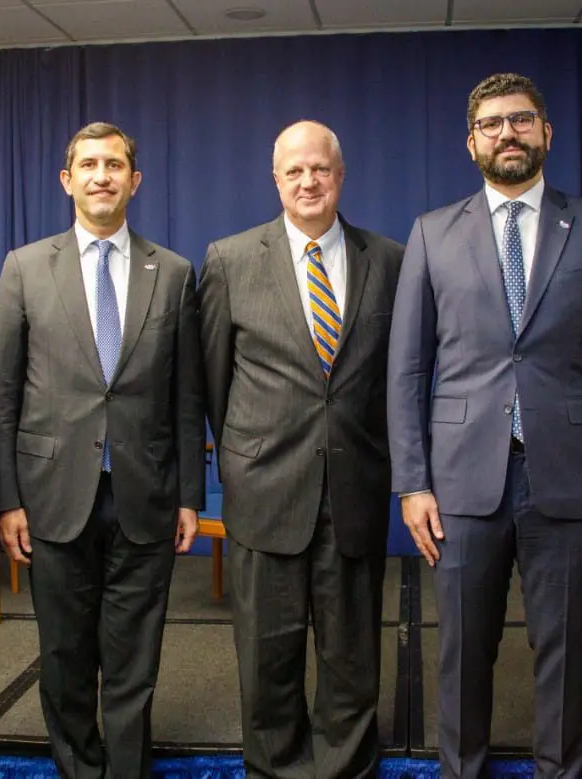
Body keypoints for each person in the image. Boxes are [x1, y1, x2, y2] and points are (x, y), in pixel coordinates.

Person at [387, 73, 582, 778]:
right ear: (470, 141)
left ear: (546, 134)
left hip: (568, 478)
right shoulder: (431, 233)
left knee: (564, 647)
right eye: (493, 123)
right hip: (461, 482)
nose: (508, 133)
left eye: (522, 120)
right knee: (464, 650)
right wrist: (411, 480)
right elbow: (407, 370)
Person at [0, 122, 205, 779]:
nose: (101, 175)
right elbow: (1, 395)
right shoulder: (24, 268)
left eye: (114, 164)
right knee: (64, 653)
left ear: (135, 181)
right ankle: (79, 768)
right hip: (52, 497)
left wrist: (192, 494)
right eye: (88, 164)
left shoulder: (172, 273)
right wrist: (8, 499)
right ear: (67, 180)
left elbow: (186, 397)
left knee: (135, 657)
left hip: (146, 496)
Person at [199, 120, 404, 778]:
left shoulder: (390, 261)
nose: (308, 181)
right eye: (295, 171)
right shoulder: (230, 259)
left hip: (354, 490)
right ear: (276, 180)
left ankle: (346, 767)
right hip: (265, 492)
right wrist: (239, 459)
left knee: (352, 657)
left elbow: (398, 377)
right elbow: (212, 379)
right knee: (267, 659)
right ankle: (275, 768)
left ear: (340, 176)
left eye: (320, 168)